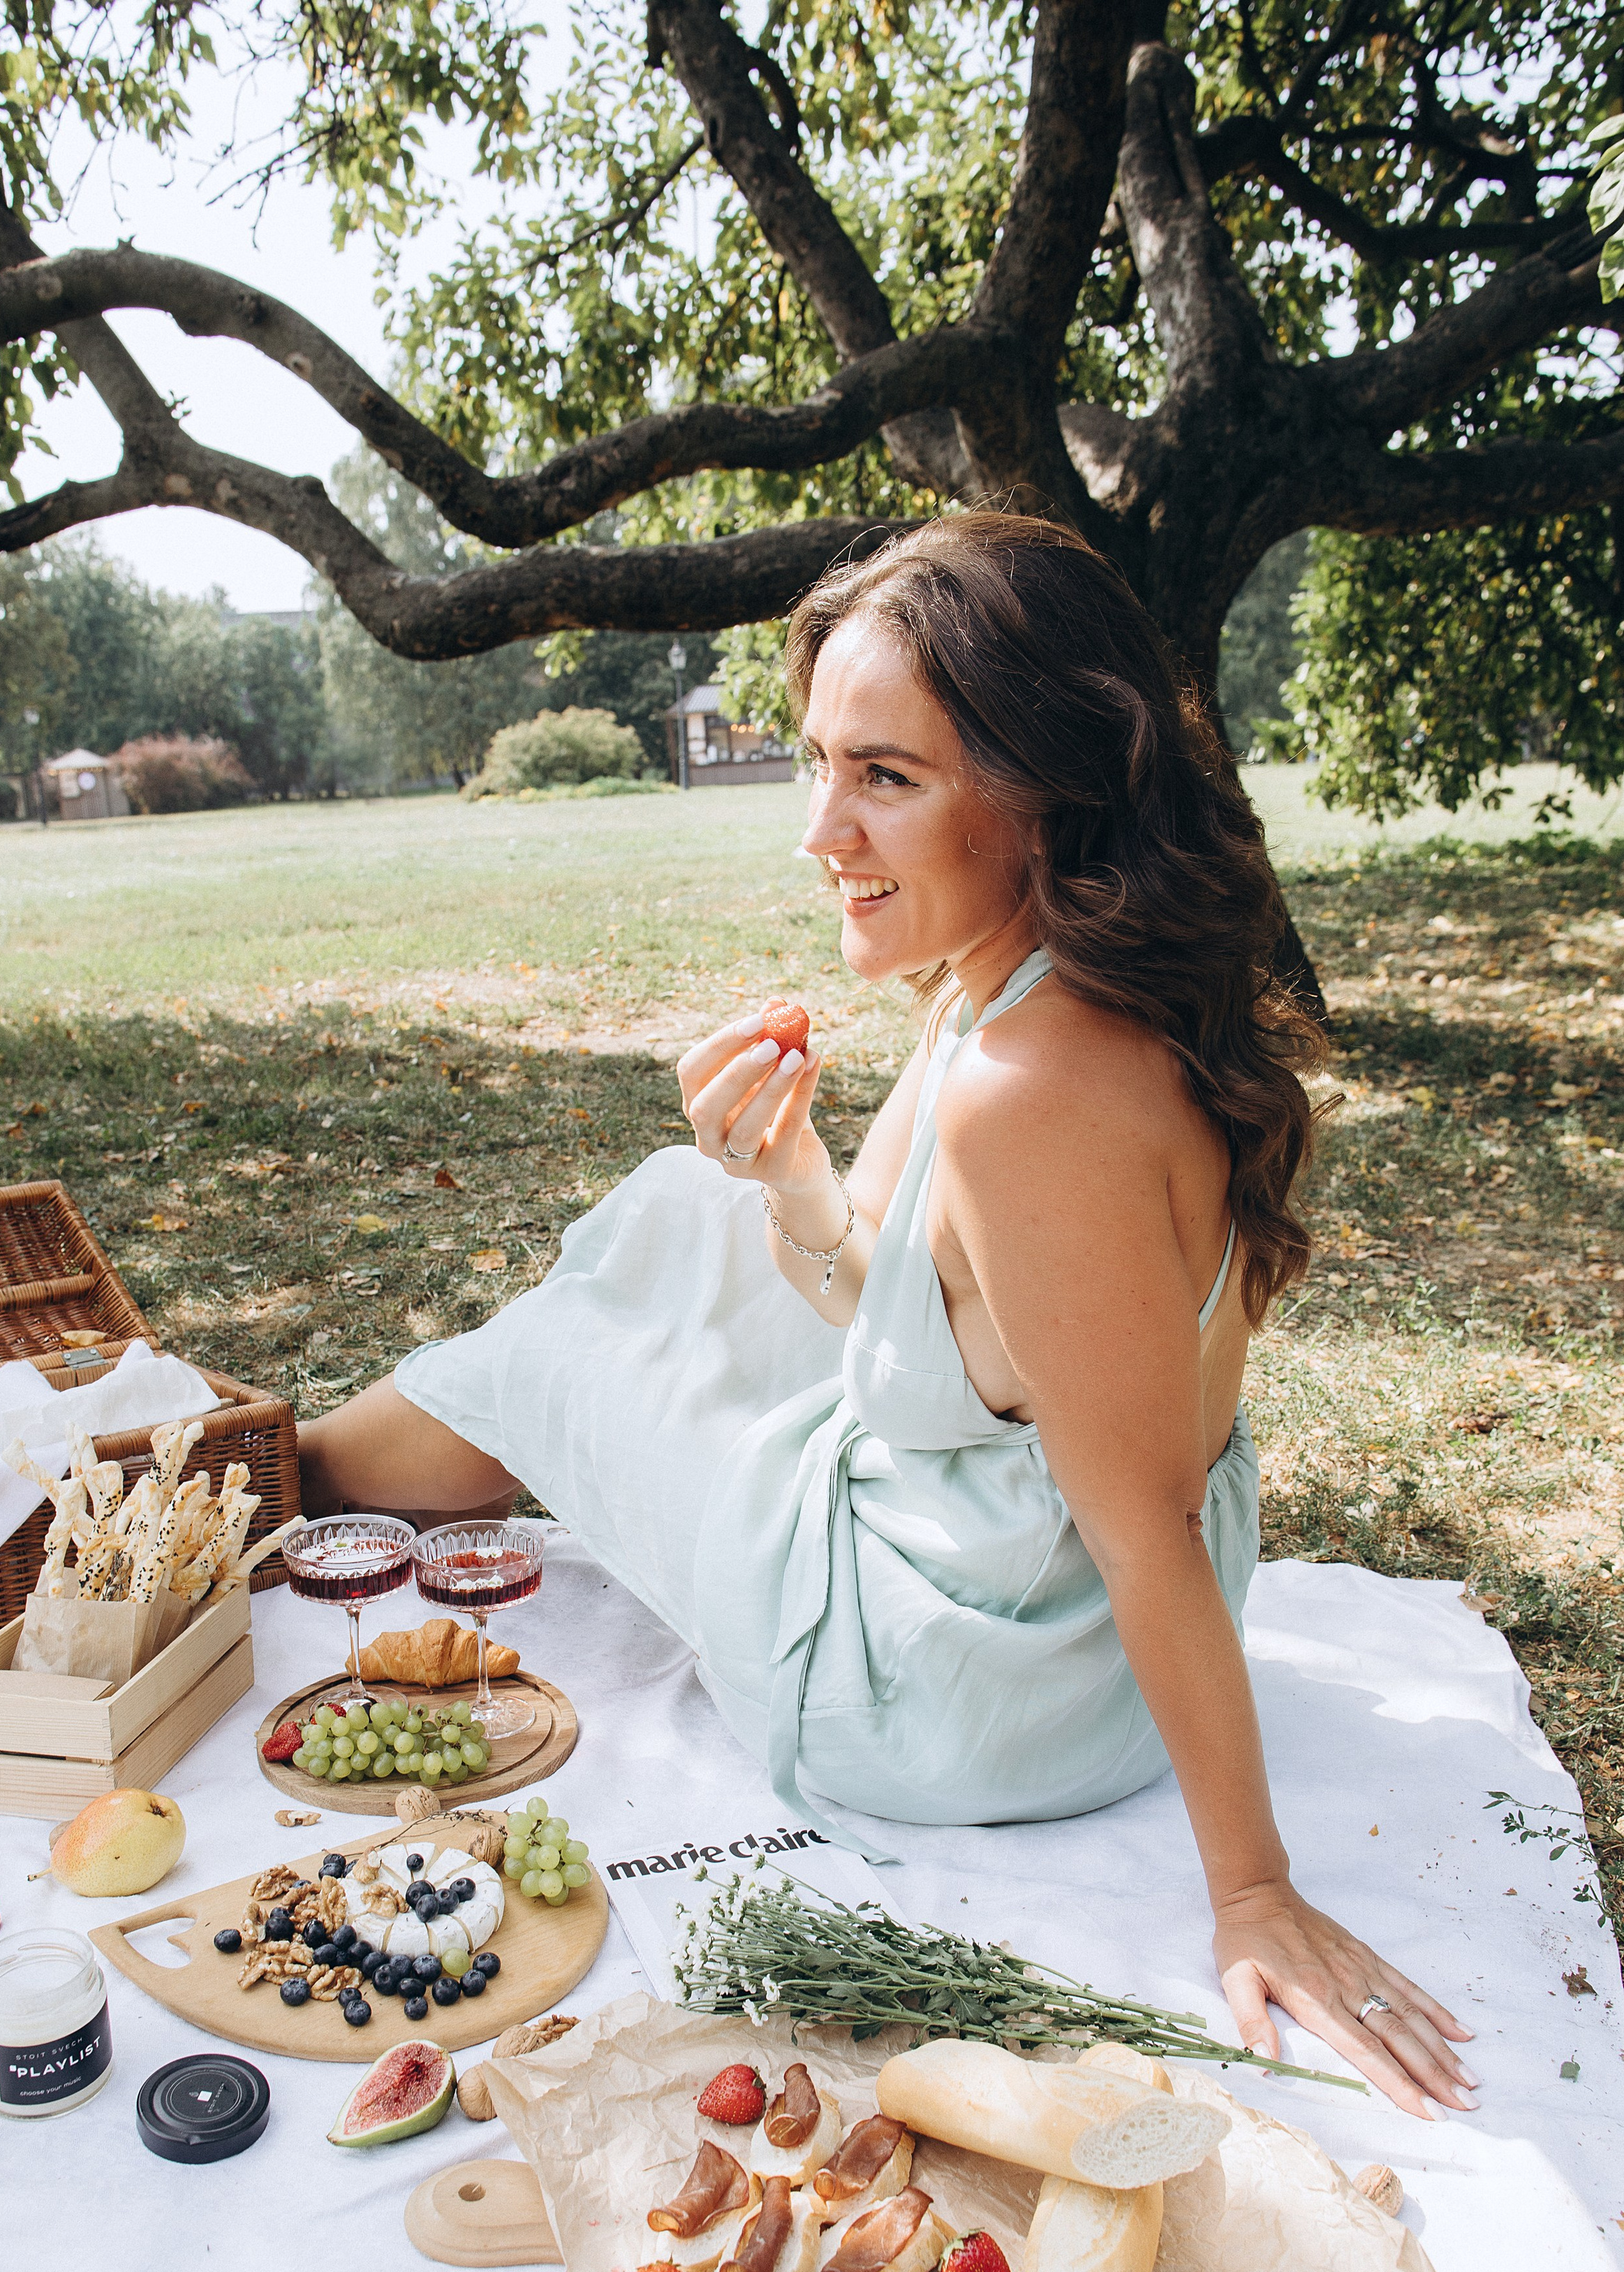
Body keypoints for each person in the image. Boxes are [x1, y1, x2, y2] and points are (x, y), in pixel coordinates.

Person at [300, 510, 1475, 2120]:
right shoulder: (1019, 982)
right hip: (1013, 1620)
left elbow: (1137, 1527)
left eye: (885, 776)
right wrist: (789, 1173)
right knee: (682, 1204)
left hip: (936, 1695)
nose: (817, 830)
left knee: (563, 1349)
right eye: (816, 762)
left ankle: (284, 1469)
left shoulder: (1029, 1092)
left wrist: (1252, 1891)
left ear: (1044, 788)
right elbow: (911, 1301)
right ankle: (316, 1450)